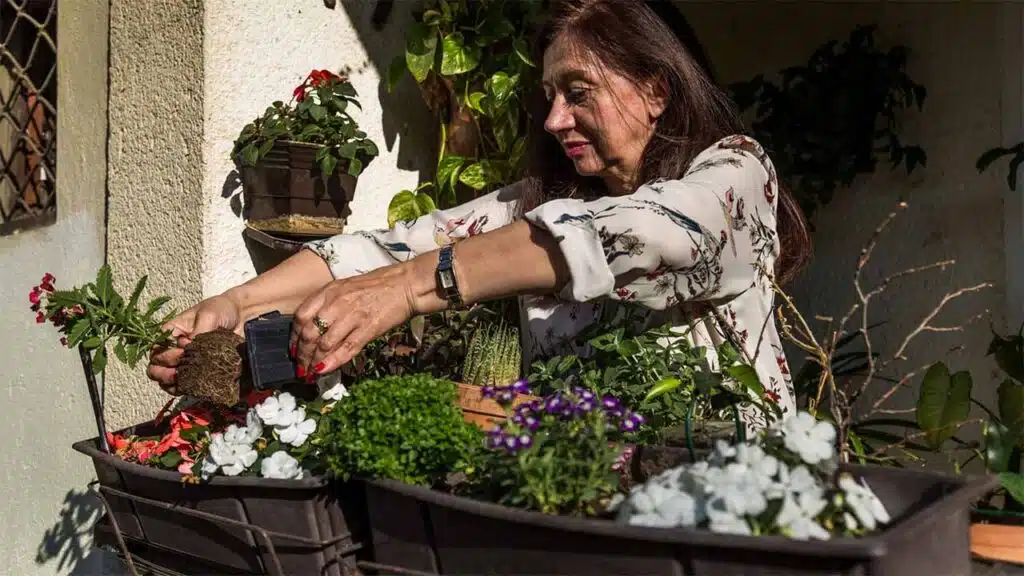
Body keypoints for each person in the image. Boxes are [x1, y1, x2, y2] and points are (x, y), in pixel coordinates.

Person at [148, 0, 811, 427]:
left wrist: (411, 290)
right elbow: (384, 251)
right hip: (583, 515)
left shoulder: (732, 173)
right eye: (549, 97)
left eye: (578, 93)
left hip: (734, 515)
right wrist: (238, 303)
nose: (554, 120)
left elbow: (644, 234)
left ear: (656, 89)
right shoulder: (545, 205)